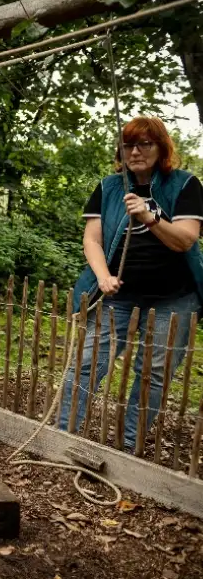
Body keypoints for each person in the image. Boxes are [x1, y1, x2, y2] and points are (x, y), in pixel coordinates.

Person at [59, 116, 203, 450]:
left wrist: (150, 217)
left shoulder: (184, 184)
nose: (135, 151)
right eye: (128, 145)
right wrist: (103, 276)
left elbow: (184, 240)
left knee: (152, 372)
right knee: (86, 363)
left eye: (144, 144)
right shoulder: (110, 187)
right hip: (118, 295)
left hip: (174, 298)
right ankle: (61, 436)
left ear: (161, 147)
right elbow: (92, 241)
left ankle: (127, 446)